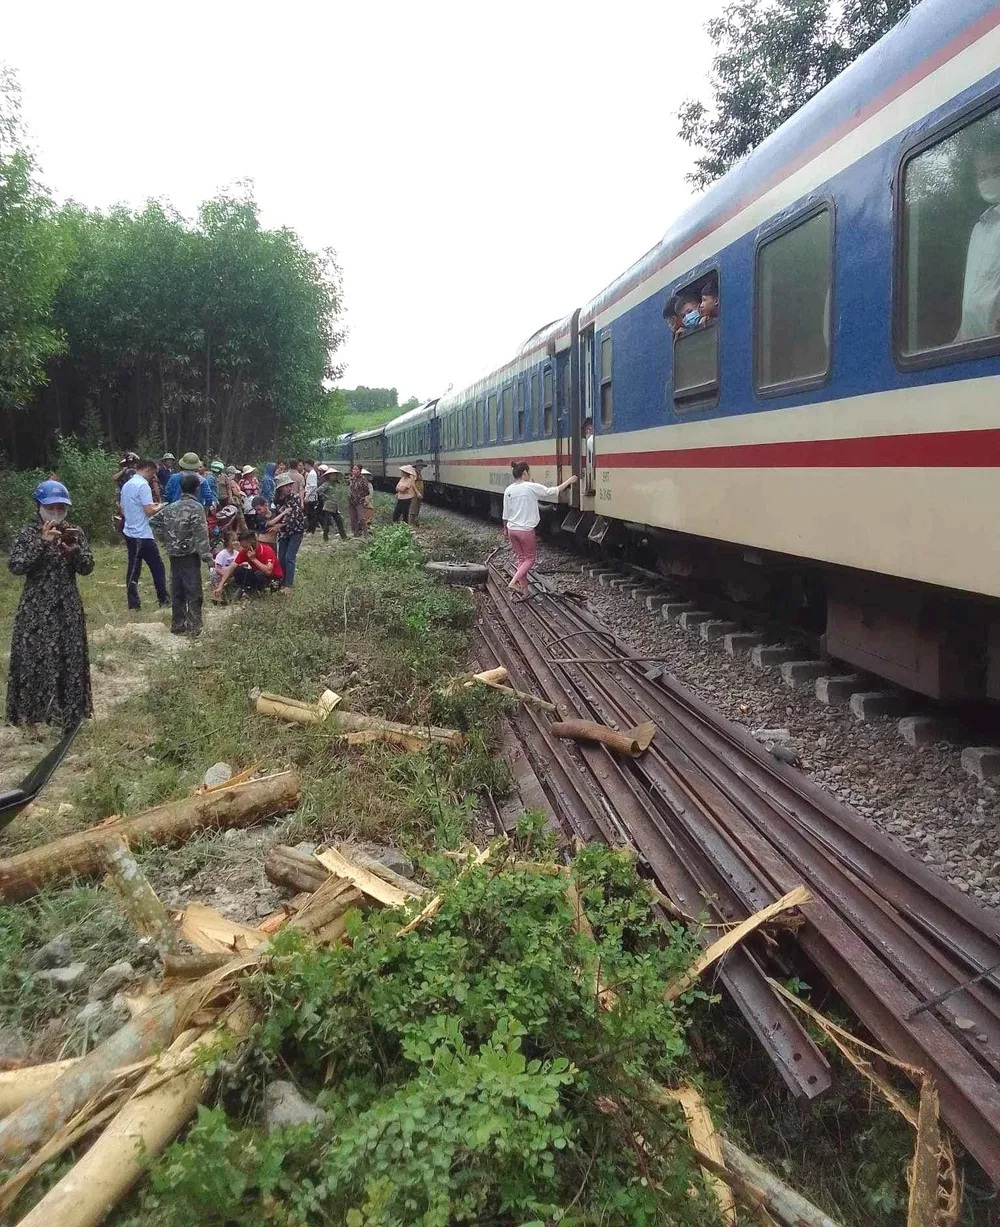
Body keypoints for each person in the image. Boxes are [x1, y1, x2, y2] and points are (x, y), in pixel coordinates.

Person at [6, 480, 94, 729]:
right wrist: (42, 544)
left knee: (70, 657)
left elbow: (87, 567)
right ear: (39, 507)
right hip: (37, 608)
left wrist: (73, 551)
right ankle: (35, 715)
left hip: (67, 605)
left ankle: (70, 713)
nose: (57, 513)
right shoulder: (28, 533)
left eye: (61, 508)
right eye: (51, 507)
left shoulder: (74, 532)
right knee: (37, 657)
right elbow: (17, 566)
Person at [501, 462, 578, 600]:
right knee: (530, 559)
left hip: (512, 529)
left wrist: (505, 529)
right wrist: (570, 480)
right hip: (525, 530)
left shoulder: (508, 490)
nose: (530, 475)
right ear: (524, 472)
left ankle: (525, 591)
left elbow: (505, 513)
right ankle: (513, 582)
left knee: (521, 559)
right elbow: (552, 491)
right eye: (529, 472)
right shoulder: (530, 487)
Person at [149, 472, 212, 636]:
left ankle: (178, 624)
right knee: (193, 591)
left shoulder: (171, 507)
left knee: (177, 589)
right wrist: (207, 557)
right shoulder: (196, 507)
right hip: (189, 555)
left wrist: (167, 539)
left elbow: (153, 521)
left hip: (173, 553)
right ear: (197, 489)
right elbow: (201, 534)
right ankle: (194, 626)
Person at [957, 146, 1000, 341]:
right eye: (982, 174)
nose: (988, 179)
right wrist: (959, 338)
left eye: (996, 171)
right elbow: (971, 300)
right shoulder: (978, 230)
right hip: (971, 347)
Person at [120, 459, 168, 611]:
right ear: (148, 469)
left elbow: (123, 508)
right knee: (158, 567)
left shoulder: (127, 485)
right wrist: (160, 506)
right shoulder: (143, 485)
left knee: (133, 568)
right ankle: (163, 599)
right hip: (143, 534)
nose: (153, 477)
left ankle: (133, 603)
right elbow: (149, 510)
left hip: (129, 531)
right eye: (153, 473)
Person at [217, 529, 283, 597]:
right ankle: (247, 590)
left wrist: (254, 559)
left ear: (253, 543)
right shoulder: (245, 551)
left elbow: (269, 571)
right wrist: (220, 585)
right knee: (238, 570)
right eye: (243, 546)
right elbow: (232, 567)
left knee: (259, 574)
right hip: (256, 575)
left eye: (245, 547)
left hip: (271, 578)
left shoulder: (267, 550)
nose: (243, 549)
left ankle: (256, 591)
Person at [274, 471, 307, 591]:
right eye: (286, 486)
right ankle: (282, 581)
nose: (289, 488)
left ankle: (289, 585)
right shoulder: (276, 500)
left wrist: (279, 525)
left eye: (290, 486)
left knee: (289, 557)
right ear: (281, 488)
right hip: (283, 532)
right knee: (281, 557)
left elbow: (294, 516)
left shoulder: (295, 497)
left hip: (296, 530)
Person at [316, 466, 348, 541]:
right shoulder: (326, 484)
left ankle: (344, 536)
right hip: (328, 505)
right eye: (331, 475)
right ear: (328, 476)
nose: (333, 476)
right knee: (327, 522)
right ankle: (325, 536)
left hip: (335, 505)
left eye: (334, 475)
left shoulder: (335, 484)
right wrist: (325, 497)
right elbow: (318, 491)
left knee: (339, 521)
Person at [210, 532, 239, 601]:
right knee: (220, 587)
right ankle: (217, 595)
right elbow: (217, 568)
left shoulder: (237, 553)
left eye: (236, 540)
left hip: (230, 575)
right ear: (227, 542)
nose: (236, 542)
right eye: (233, 540)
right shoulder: (222, 554)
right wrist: (225, 575)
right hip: (219, 575)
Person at [348, 464, 373, 537]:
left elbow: (367, 491)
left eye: (356, 469)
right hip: (352, 501)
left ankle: (366, 534)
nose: (354, 471)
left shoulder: (363, 480)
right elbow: (350, 489)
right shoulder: (352, 480)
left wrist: (361, 497)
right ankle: (355, 534)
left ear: (360, 471)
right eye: (353, 469)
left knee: (361, 518)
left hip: (359, 501)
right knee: (353, 518)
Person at [304, 459, 319, 532]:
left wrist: (307, 496)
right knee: (309, 512)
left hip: (311, 496)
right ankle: (311, 528)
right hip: (310, 495)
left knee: (311, 512)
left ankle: (311, 528)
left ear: (308, 465)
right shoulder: (311, 473)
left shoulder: (312, 474)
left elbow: (313, 487)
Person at [410, 461, 427, 525]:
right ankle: (411, 523)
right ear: (417, 466)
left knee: (417, 507)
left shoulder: (419, 473)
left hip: (419, 493)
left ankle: (415, 522)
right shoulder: (414, 474)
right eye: (420, 466)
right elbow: (412, 484)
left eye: (422, 466)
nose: (422, 467)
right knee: (413, 508)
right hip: (415, 494)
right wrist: (417, 493)